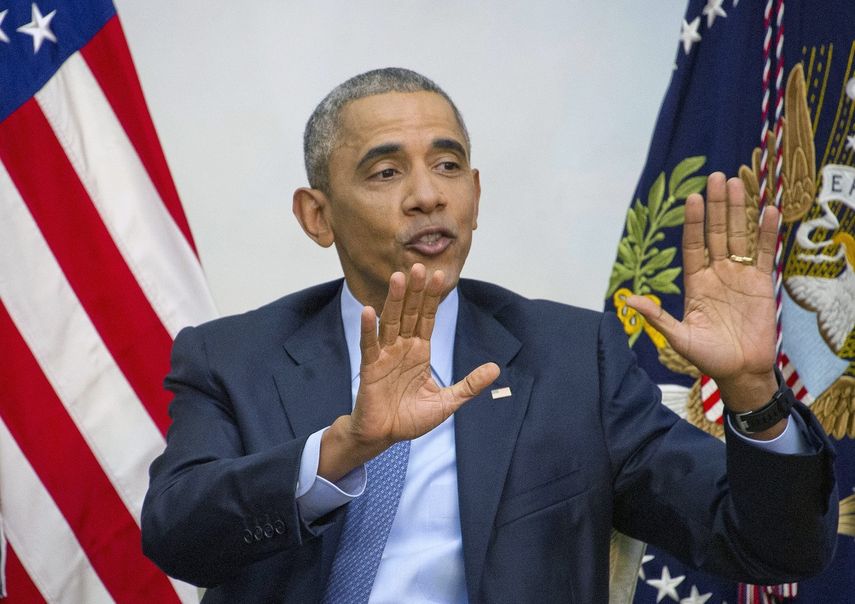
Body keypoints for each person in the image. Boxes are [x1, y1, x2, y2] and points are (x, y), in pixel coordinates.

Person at [141, 68, 838, 603]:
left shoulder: (572, 357)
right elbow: (177, 533)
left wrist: (751, 391)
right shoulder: (231, 356)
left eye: (447, 166)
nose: (427, 195)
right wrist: (340, 451)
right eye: (386, 172)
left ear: (474, 193)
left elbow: (770, 549)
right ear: (316, 215)